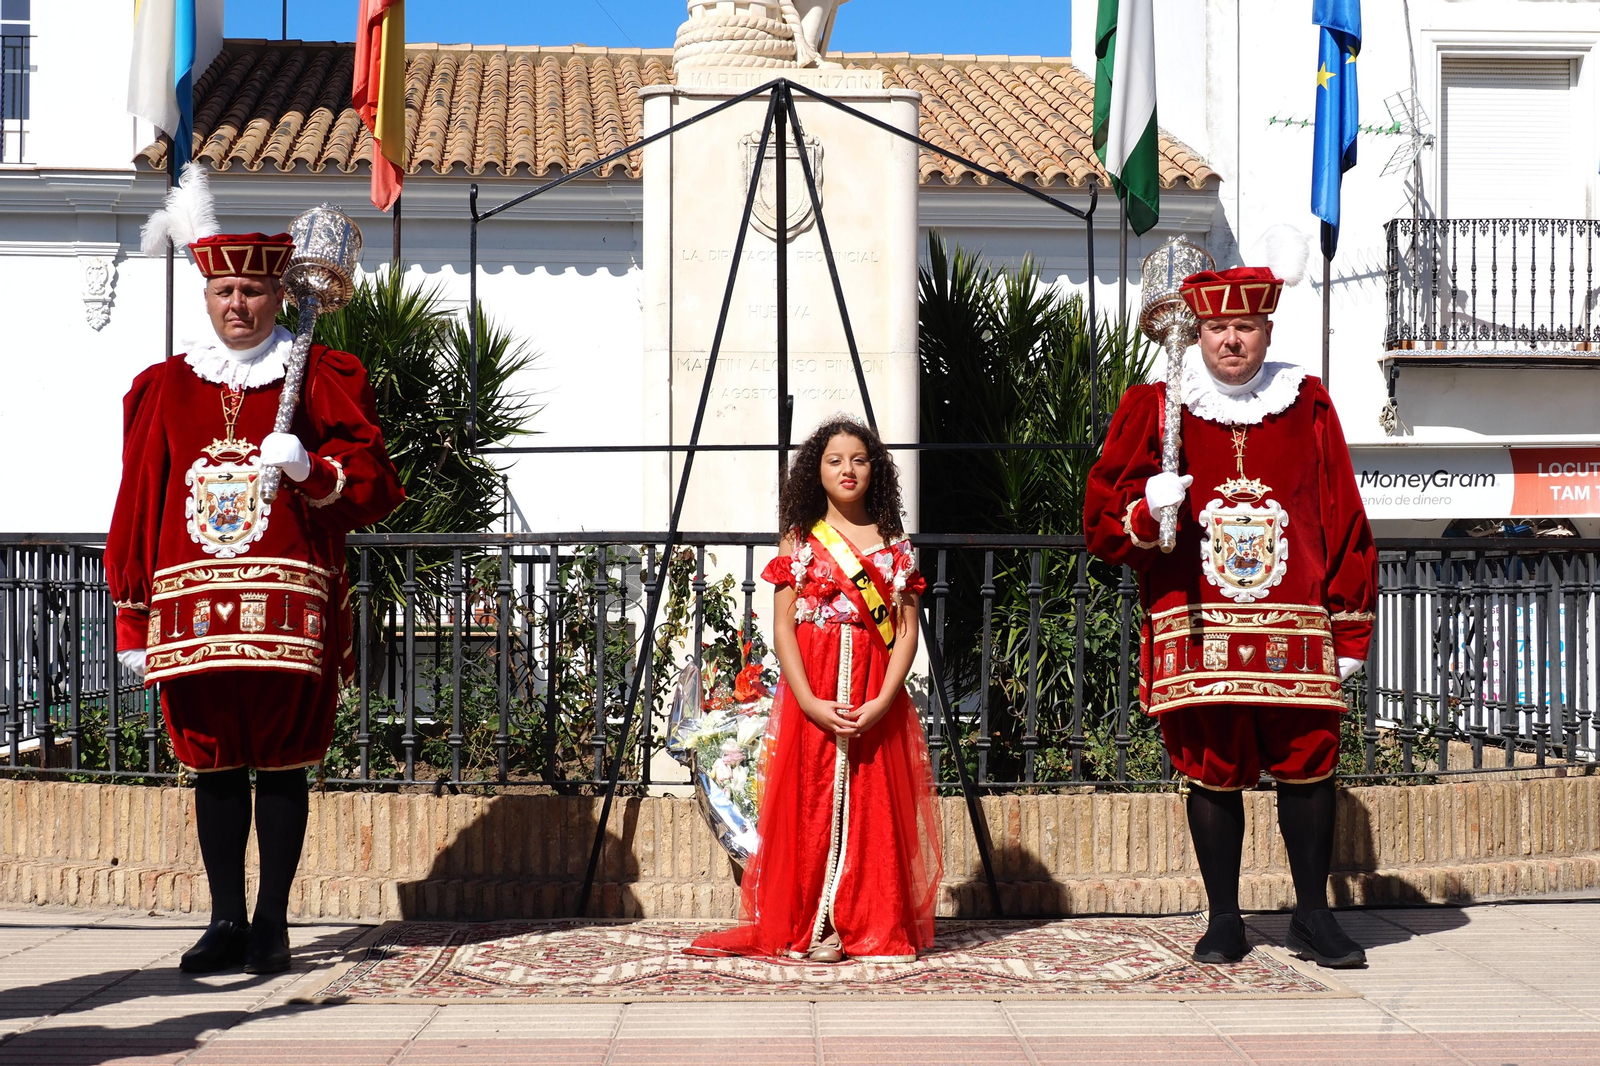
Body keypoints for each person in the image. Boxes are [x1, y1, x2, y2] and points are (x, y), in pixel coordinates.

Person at [107, 166, 404, 975]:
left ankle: (272, 923)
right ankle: (225, 921)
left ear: (280, 295)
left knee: (279, 764)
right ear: (206, 296)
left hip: (287, 609)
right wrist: (132, 615)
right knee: (211, 764)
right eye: (223, 291)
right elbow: (138, 502)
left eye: (251, 290)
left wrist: (310, 466)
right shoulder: (165, 388)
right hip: (190, 612)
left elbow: (374, 485)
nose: (236, 303)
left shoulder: (321, 377)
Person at [1083, 265, 1377, 969]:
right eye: (1217, 327)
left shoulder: (1306, 404)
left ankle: (1312, 915)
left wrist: (1350, 625)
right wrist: (1146, 511)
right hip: (1199, 626)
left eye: (1245, 326)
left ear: (1267, 330)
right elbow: (1102, 524)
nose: (1231, 341)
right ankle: (1223, 919)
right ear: (1198, 335)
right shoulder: (1158, 406)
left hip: (1295, 627)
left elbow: (1342, 513)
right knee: (1213, 769)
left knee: (1309, 765)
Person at [686, 418, 943, 962]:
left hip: (874, 691)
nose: (848, 469)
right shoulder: (799, 540)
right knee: (815, 802)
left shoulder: (895, 544)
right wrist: (805, 699)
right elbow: (782, 627)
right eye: (834, 460)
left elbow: (906, 632)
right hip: (815, 687)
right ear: (816, 471)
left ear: (875, 469)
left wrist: (883, 700)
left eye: (859, 459)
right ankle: (817, 922)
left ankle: (865, 922)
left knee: (872, 804)